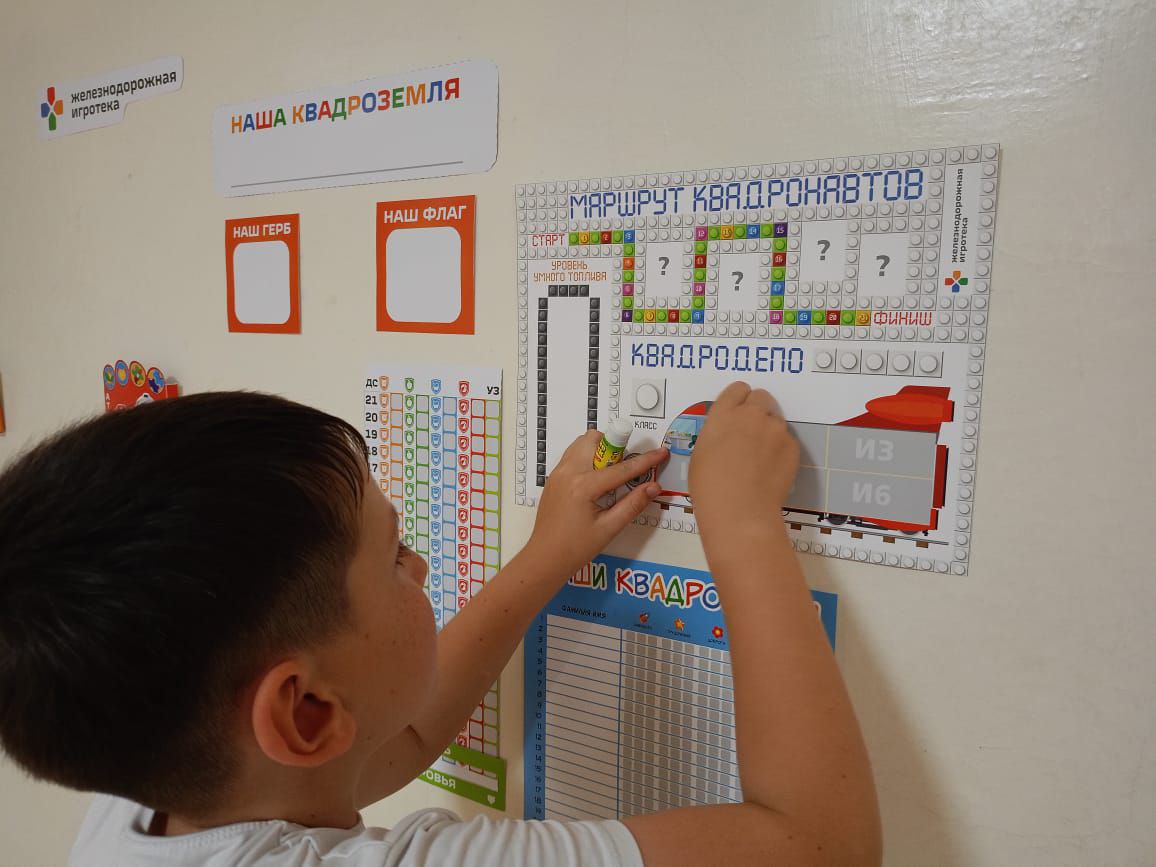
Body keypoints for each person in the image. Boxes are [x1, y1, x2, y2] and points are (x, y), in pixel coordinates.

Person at [0, 383, 880, 865]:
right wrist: (743, 521)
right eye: (393, 555)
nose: (418, 564)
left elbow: (398, 738)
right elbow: (820, 844)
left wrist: (546, 554)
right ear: (305, 709)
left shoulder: (141, 806)